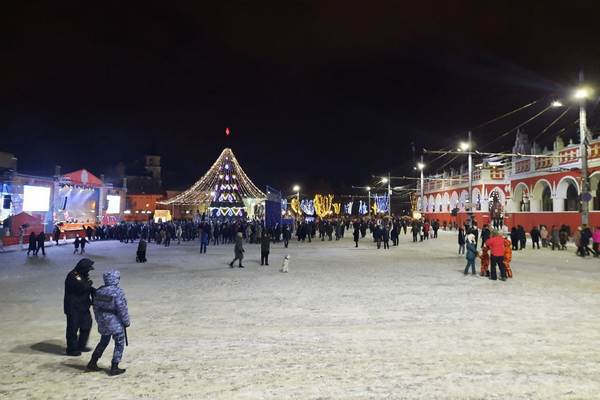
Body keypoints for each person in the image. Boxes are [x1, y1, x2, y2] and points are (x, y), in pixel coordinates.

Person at [86, 270, 130, 375]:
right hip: (115, 321)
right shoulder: (117, 292)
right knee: (119, 343)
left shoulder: (99, 291)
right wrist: (126, 321)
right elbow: (121, 308)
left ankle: (92, 362)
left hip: (103, 321)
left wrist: (99, 320)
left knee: (104, 341)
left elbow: (95, 307)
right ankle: (114, 366)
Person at [64, 258, 96, 356]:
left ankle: (81, 345)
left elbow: (87, 287)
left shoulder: (82, 275)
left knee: (86, 325)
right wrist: (90, 283)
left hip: (84, 306)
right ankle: (72, 349)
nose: (89, 271)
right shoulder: (73, 276)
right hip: (73, 307)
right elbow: (83, 287)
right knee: (73, 329)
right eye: (88, 269)